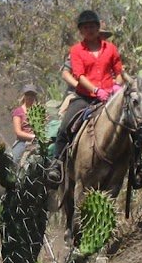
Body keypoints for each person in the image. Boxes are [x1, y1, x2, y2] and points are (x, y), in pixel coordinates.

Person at [47, 11, 124, 184]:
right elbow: (79, 75)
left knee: (131, 123)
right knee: (65, 126)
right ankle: (57, 163)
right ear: (81, 31)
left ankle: (138, 166)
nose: (89, 30)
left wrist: (116, 86)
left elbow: (119, 71)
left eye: (92, 26)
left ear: (98, 28)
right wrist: (97, 91)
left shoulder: (110, 48)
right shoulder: (76, 50)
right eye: (85, 27)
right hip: (85, 97)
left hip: (110, 97)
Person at [11, 84, 38, 164]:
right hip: (23, 142)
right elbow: (18, 132)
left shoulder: (39, 111)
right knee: (14, 161)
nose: (30, 97)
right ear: (24, 95)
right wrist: (33, 137)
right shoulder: (18, 112)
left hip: (38, 142)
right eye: (28, 94)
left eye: (32, 95)